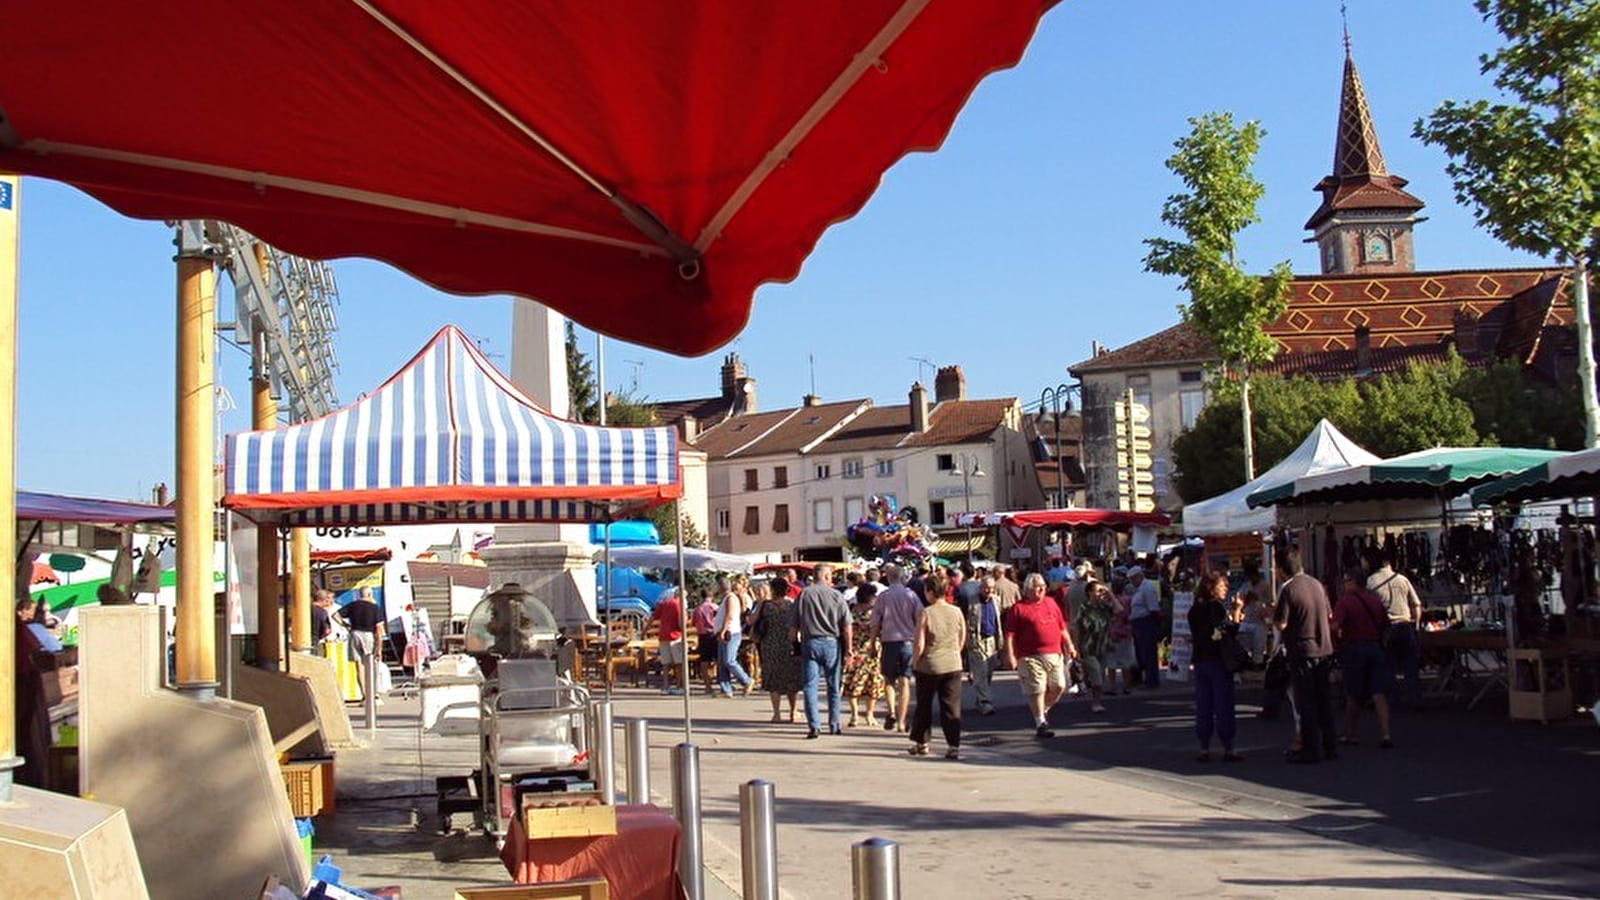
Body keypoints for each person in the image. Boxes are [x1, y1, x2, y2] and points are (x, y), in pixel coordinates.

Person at [1275, 549, 1338, 764]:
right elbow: (1329, 614)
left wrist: (1270, 617)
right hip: (1323, 648)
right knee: (1324, 700)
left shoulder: (1289, 589)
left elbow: (1281, 623)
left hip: (1302, 649)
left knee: (1306, 702)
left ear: (1282, 570)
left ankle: (1312, 749)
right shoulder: (1317, 585)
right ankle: (1331, 746)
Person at [1003, 573, 1077, 738]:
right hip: (1030, 655)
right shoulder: (1018, 608)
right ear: (1028, 589)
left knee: (1059, 686)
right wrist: (1010, 655)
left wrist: (1070, 645)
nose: (1042, 589)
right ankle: (1040, 723)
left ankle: (1042, 710)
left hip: (1054, 653)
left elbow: (1061, 627)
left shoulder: (1051, 603)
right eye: (1038, 587)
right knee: (1038, 688)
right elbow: (1009, 634)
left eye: (1043, 586)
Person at [1332, 570, 1394, 748]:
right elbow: (1386, 625)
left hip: (1354, 648)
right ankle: (1385, 733)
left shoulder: (1345, 602)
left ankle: (1352, 733)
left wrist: (1337, 642)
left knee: (1353, 693)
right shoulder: (1375, 600)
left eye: (1345, 581)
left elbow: (1335, 626)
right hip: (1375, 647)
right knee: (1378, 692)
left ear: (1353, 582)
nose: (1343, 584)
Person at [909, 572, 967, 760]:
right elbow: (962, 637)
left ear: (930, 592)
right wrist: (955, 652)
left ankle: (923, 742)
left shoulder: (926, 613)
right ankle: (953, 745)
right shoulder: (956, 611)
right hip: (952, 663)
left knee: (924, 705)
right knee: (951, 706)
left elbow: (919, 643)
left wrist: (916, 662)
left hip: (930, 664)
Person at [1189, 571, 1244, 762]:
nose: (1225, 589)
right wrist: (1236, 615)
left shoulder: (1195, 609)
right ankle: (1228, 747)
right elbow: (1222, 633)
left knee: (1204, 705)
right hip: (1217, 660)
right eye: (1222, 586)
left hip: (1200, 660)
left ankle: (1204, 746)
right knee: (1223, 704)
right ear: (1212, 588)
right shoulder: (1216, 608)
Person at [794, 563, 853, 739]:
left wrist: (794, 647)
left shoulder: (804, 594)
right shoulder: (837, 596)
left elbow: (792, 626)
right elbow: (847, 625)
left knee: (810, 686)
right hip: (831, 643)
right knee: (833, 685)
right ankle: (834, 724)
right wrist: (849, 649)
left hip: (810, 642)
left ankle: (814, 726)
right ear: (826, 576)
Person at [1365, 548, 1423, 711]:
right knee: (1410, 665)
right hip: (1405, 625)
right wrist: (1416, 625)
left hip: (1386, 628)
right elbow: (1416, 604)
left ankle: (1392, 700)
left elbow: (1369, 607)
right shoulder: (1402, 579)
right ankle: (1414, 699)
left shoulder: (1371, 581)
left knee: (1387, 665)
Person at [870, 564, 923, 734]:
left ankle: (891, 711)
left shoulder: (883, 596)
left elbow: (875, 622)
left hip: (889, 641)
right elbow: (921, 616)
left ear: (888, 577)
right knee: (905, 681)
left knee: (889, 679)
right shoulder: (911, 595)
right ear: (902, 577)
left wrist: (872, 642)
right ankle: (901, 721)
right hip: (907, 641)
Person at [748, 581, 801, 721]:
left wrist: (759, 604)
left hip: (769, 645)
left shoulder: (766, 606)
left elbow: (750, 621)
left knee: (773, 679)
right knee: (791, 679)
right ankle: (793, 711)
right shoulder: (791, 605)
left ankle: (776, 713)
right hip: (788, 645)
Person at [843, 578, 885, 727]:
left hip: (854, 651)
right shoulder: (874, 613)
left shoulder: (850, 610)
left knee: (853, 684)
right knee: (872, 684)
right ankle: (869, 714)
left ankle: (854, 715)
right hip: (871, 651)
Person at [337, 587, 385, 701]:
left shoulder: (353, 605)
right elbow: (379, 630)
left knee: (359, 666)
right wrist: (379, 648)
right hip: (368, 635)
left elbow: (335, 615)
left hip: (354, 634)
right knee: (371, 664)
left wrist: (345, 625)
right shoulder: (375, 608)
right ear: (370, 594)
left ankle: (364, 694)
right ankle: (373, 692)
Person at [963, 575, 1002, 716]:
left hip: (992, 640)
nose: (989, 591)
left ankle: (981, 699)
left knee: (989, 671)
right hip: (977, 640)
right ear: (980, 587)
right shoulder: (972, 601)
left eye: (991, 588)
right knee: (981, 671)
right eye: (986, 588)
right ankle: (986, 702)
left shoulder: (996, 600)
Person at [1076, 578, 1114, 714]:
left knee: (1100, 676)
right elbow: (1078, 628)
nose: (1100, 594)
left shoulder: (1104, 608)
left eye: (1101, 591)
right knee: (1097, 673)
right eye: (1098, 591)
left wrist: (1110, 595)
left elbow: (1120, 610)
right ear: (1089, 593)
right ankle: (1096, 703)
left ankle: (1090, 689)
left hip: (1102, 646)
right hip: (1088, 646)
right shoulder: (1084, 608)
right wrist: (1075, 647)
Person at [714, 575, 754, 697]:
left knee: (729, 660)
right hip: (725, 633)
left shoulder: (730, 598)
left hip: (730, 633)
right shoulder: (726, 598)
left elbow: (730, 615)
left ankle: (746, 680)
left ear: (722, 587)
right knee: (722, 662)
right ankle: (726, 689)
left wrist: (723, 629)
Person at [1129, 567, 1162, 689]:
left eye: (1133, 579)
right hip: (1139, 623)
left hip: (1146, 622)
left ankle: (1152, 681)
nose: (1132, 582)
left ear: (1139, 577)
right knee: (1142, 652)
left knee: (1148, 652)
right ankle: (1146, 679)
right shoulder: (1139, 589)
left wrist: (1155, 624)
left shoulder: (1147, 588)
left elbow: (1153, 608)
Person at [1103, 579, 1135, 695]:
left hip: (1112, 633)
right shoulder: (1128, 600)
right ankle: (1127, 686)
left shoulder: (1109, 602)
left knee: (1111, 662)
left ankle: (1113, 687)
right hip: (1126, 633)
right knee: (1126, 661)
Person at [652, 586, 686, 695]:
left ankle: (665, 686)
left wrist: (644, 631)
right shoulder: (679, 606)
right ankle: (679, 685)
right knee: (679, 663)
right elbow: (681, 623)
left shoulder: (665, 603)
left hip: (663, 635)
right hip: (675, 636)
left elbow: (654, 616)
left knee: (665, 663)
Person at [692, 589, 720, 694]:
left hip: (703, 636)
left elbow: (694, 623)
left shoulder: (698, 609)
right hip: (714, 634)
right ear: (711, 596)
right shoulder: (715, 607)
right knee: (718, 659)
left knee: (704, 661)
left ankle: (707, 686)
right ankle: (722, 682)